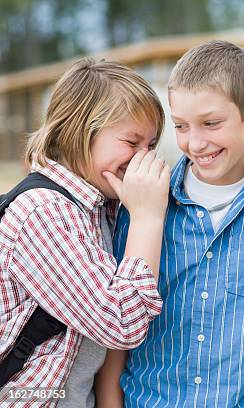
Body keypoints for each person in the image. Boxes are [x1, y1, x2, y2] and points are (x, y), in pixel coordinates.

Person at [100, 40, 244, 408]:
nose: (195, 143)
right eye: (180, 126)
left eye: (211, 123)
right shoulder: (143, 197)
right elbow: (115, 331)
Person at [0, 58, 168, 407]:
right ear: (80, 131)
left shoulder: (101, 208)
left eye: (151, 146)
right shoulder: (44, 214)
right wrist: (147, 218)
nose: (142, 159)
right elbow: (120, 322)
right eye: (131, 142)